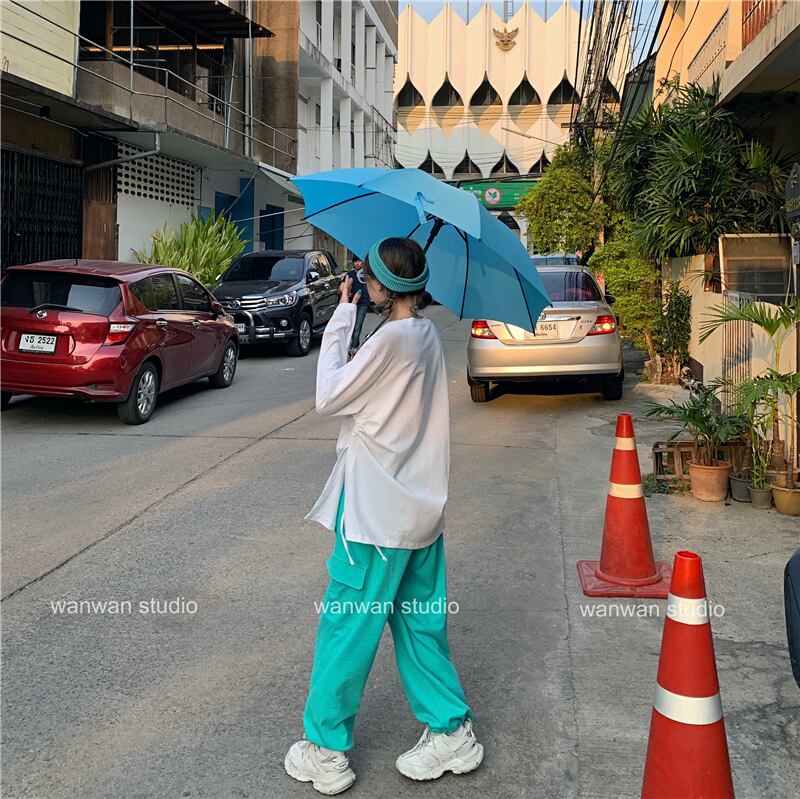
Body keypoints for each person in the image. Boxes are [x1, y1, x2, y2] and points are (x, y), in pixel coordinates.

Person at [285, 237, 483, 795]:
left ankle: (325, 749)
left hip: (374, 517)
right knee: (418, 624)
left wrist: (342, 316)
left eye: (367, 275)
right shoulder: (423, 335)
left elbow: (329, 396)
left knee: (346, 626)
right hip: (419, 512)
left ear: (381, 285)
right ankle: (452, 731)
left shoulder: (391, 339)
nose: (361, 281)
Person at [346, 256, 370, 356]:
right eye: (355, 261)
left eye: (359, 261)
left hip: (363, 303)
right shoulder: (349, 274)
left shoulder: (367, 274)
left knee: (357, 326)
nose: (357, 263)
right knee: (351, 326)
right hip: (351, 304)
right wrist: (346, 292)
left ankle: (353, 348)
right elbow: (342, 287)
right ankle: (355, 344)